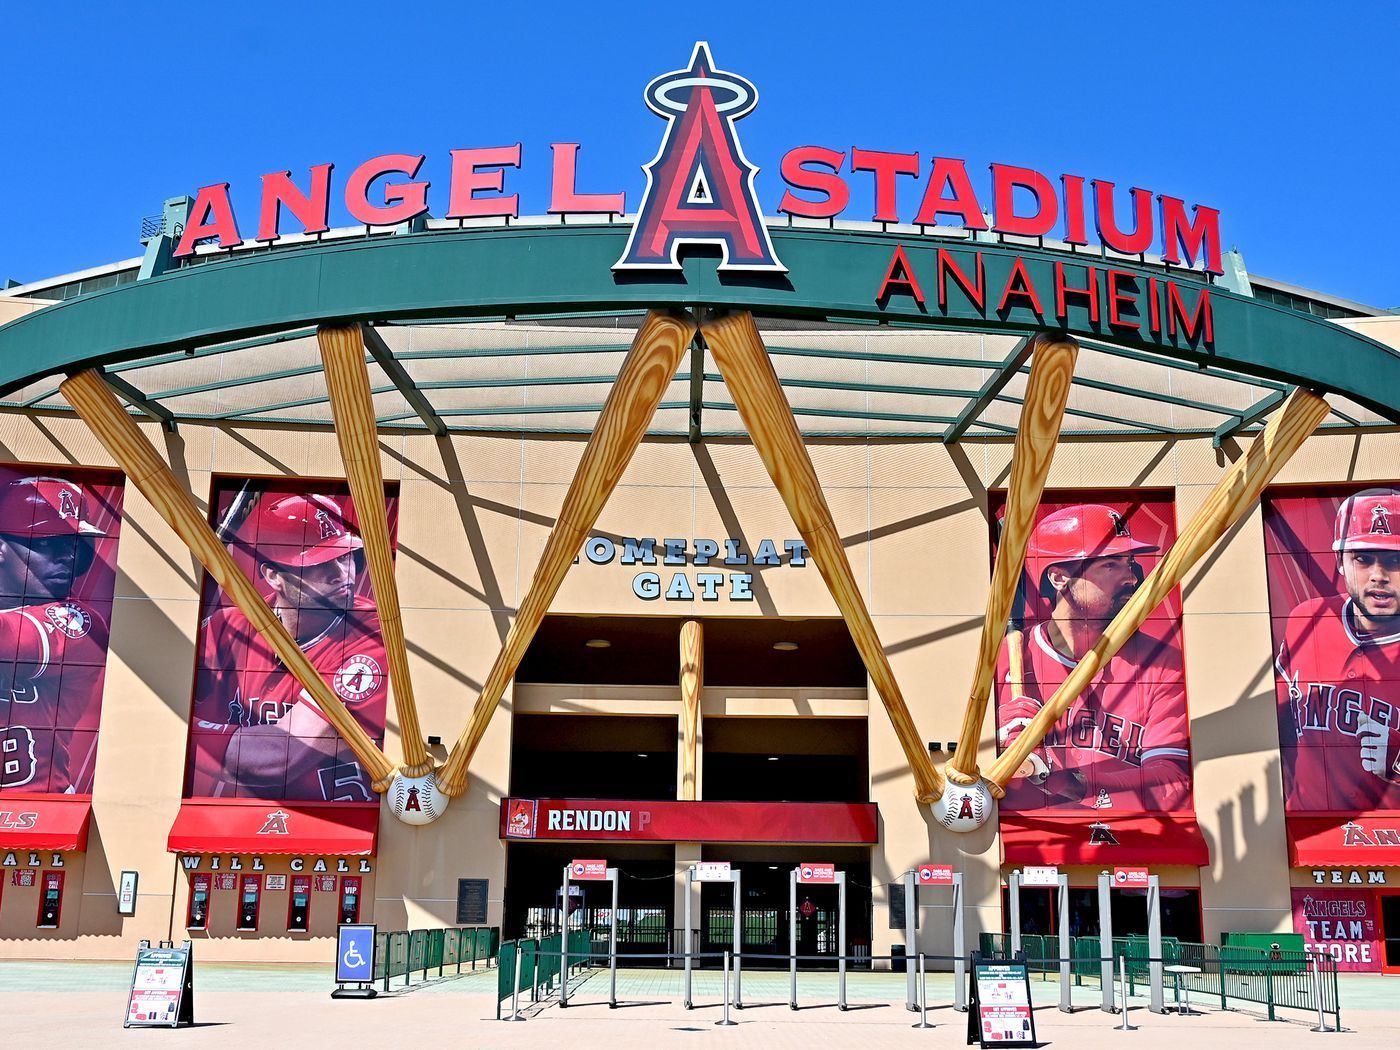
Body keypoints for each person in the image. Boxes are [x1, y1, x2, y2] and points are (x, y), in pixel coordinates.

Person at [190, 491, 388, 802]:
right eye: (318, 563)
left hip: (340, 827)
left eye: (345, 556)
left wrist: (175, 730)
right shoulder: (228, 628)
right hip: (240, 826)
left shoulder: (374, 639)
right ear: (273, 576)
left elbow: (279, 757)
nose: (341, 574)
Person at [996, 503, 1192, 811]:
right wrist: (1000, 751)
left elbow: (1171, 783)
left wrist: (1066, 779)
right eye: (1111, 565)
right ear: (1059, 578)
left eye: (1129, 564)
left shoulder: (1161, 663)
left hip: (1132, 842)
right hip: (1029, 845)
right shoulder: (1007, 661)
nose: (1130, 579)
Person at [1275, 488, 1400, 810]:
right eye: (1362, 558)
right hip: (1303, 830)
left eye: (1395, 560)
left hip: (1386, 837)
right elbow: (1277, 721)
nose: (1379, 576)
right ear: (1340, 563)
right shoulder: (1306, 619)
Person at [0, 475, 111, 794]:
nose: (68, 557)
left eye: (74, 546)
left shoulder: (79, 622)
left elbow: (8, 639)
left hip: (39, 814)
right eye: (48, 543)